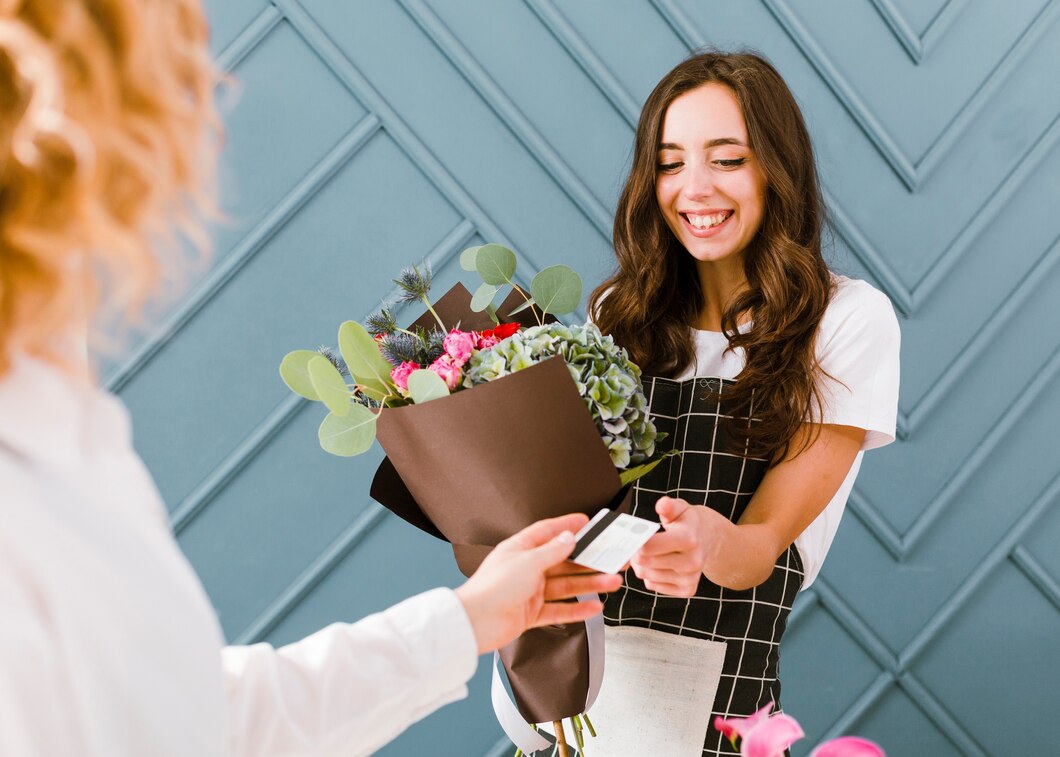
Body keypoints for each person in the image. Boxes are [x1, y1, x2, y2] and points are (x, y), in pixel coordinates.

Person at [0, 2, 621, 756]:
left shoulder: (61, 416)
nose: (209, 121)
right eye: (173, 90)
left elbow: (200, 716)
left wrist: (470, 618)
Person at [585, 51, 901, 755]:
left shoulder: (847, 321)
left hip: (720, 716)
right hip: (578, 704)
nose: (693, 188)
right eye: (669, 163)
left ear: (775, 169)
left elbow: (761, 545)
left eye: (726, 159)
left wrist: (704, 542)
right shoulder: (616, 315)